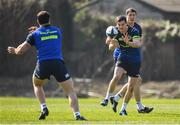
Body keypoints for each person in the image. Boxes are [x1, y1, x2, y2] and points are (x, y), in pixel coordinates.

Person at [7, 11, 86, 121]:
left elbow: (21, 50)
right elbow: (47, 34)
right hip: (58, 63)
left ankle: (44, 107)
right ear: (49, 20)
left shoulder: (34, 35)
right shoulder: (57, 30)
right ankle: (77, 115)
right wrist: (38, 31)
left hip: (43, 64)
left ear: (37, 21)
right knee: (70, 91)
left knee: (37, 84)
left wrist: (15, 50)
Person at [101, 8, 153, 115]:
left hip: (134, 58)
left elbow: (138, 44)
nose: (132, 17)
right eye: (130, 15)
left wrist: (127, 42)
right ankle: (109, 98)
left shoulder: (136, 29)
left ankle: (119, 100)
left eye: (134, 15)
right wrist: (112, 43)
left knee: (135, 82)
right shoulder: (115, 30)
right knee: (119, 76)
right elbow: (110, 43)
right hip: (122, 56)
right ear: (126, 16)